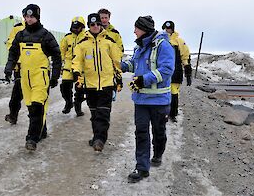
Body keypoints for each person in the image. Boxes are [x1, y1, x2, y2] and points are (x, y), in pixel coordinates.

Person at [121, 16, 175, 183]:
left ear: (144, 29)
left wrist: (144, 80)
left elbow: (166, 69)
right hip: (141, 101)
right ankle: (142, 167)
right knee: (141, 133)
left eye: (136, 28)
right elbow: (133, 65)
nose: (134, 31)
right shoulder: (140, 47)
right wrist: (120, 65)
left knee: (159, 132)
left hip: (159, 101)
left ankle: (158, 154)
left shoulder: (163, 46)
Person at [4, 4, 62, 151]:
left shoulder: (45, 35)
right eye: (27, 17)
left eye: (32, 17)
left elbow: (57, 55)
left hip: (40, 77)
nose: (29, 20)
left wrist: (55, 76)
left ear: (37, 17)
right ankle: (41, 131)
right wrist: (9, 68)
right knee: (31, 108)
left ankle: (31, 139)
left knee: (37, 107)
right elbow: (13, 53)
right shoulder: (20, 35)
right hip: (25, 78)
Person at [72, 13, 122, 152]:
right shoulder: (82, 44)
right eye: (92, 24)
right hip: (90, 85)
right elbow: (77, 61)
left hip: (106, 84)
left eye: (98, 24)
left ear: (101, 25)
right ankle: (96, 137)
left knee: (103, 114)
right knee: (94, 115)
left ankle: (100, 140)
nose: (95, 27)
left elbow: (116, 61)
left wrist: (118, 79)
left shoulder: (109, 41)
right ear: (89, 26)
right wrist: (77, 74)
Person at [162, 21, 192, 122]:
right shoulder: (161, 40)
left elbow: (185, 57)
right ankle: (163, 114)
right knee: (163, 92)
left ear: (172, 29)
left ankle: (173, 114)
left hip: (176, 71)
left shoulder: (179, 41)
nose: (167, 31)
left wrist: (188, 74)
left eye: (169, 29)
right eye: (165, 29)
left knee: (174, 93)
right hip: (163, 71)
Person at [59, 16, 86, 117]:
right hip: (68, 66)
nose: (75, 29)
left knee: (80, 89)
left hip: (82, 67)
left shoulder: (87, 37)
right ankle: (68, 102)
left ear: (82, 26)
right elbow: (61, 52)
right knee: (64, 87)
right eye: (74, 26)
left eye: (77, 27)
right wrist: (60, 65)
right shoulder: (67, 38)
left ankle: (78, 107)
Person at [98, 8, 124, 99]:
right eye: (102, 18)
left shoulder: (115, 33)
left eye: (106, 17)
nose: (104, 20)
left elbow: (120, 49)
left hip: (110, 65)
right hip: (97, 65)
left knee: (109, 93)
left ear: (109, 18)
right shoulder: (94, 32)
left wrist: (115, 60)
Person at [4, 19, 25, 125]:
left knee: (16, 95)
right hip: (34, 69)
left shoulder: (17, 28)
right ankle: (40, 126)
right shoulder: (40, 30)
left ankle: (13, 116)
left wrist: (10, 66)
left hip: (20, 67)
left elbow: (11, 46)